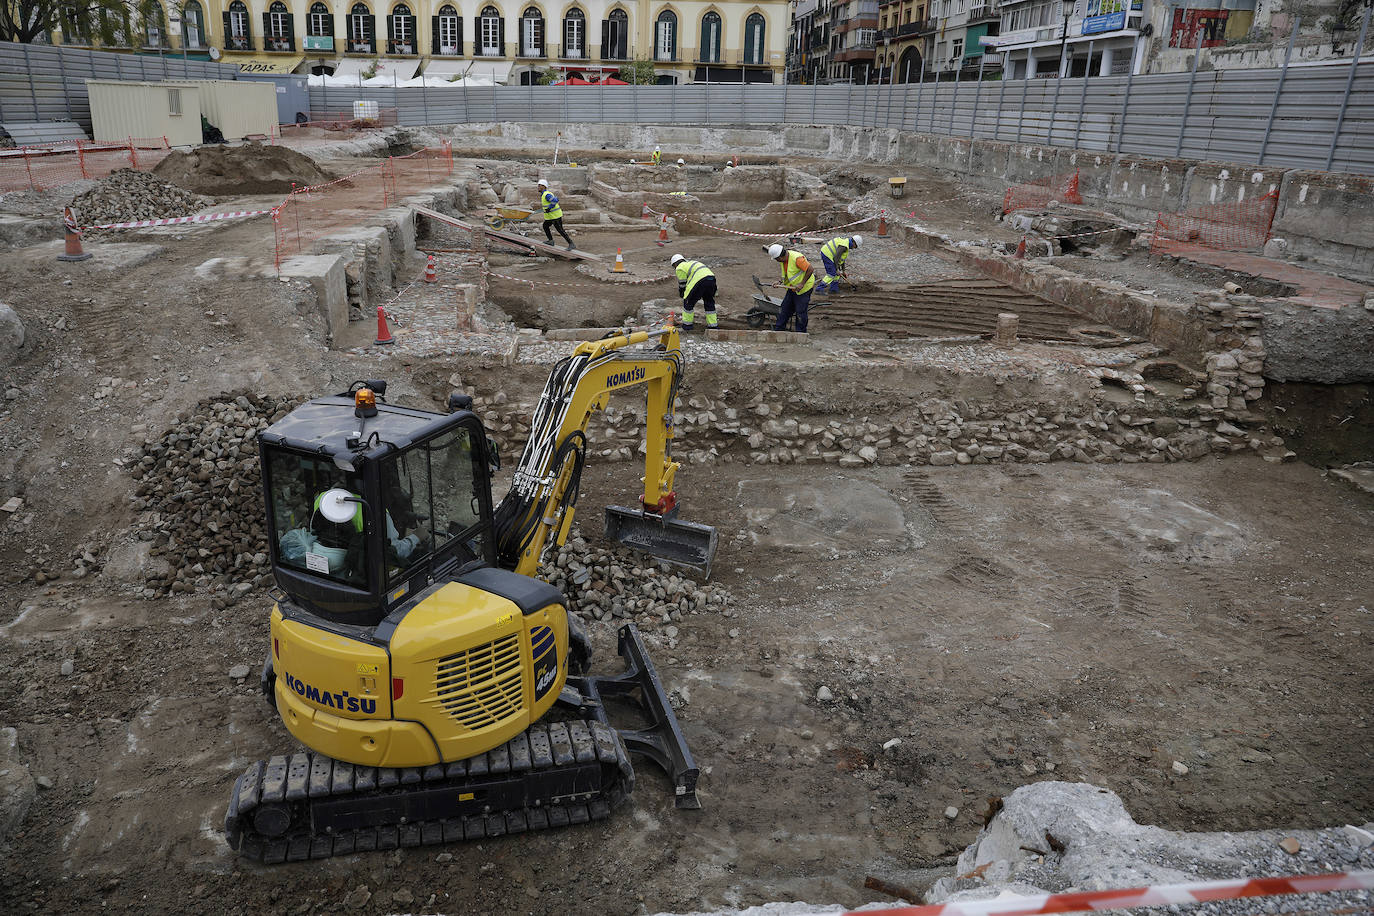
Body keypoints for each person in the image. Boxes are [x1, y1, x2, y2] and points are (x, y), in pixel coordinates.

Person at [766, 243, 815, 333]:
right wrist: (780, 281)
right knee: (784, 310)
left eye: (776, 259)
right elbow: (788, 274)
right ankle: (779, 331)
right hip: (792, 288)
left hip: (804, 289)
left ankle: (800, 334)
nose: (777, 261)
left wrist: (802, 284)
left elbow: (811, 269)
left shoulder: (797, 258)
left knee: (800, 312)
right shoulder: (784, 260)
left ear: (779, 257)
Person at [669, 254, 717, 332]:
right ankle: (713, 326)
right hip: (711, 279)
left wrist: (682, 294)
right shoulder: (692, 263)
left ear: (674, 264)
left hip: (699, 281)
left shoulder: (679, 268)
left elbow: (682, 284)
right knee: (709, 303)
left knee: (688, 303)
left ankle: (687, 326)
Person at [537, 178, 575, 250]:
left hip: (555, 216)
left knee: (560, 230)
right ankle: (551, 241)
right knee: (545, 226)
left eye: (540, 185)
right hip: (550, 217)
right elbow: (555, 199)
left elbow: (555, 201)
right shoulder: (544, 194)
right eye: (538, 185)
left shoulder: (546, 195)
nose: (538, 187)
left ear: (544, 186)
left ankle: (571, 243)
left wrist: (549, 208)